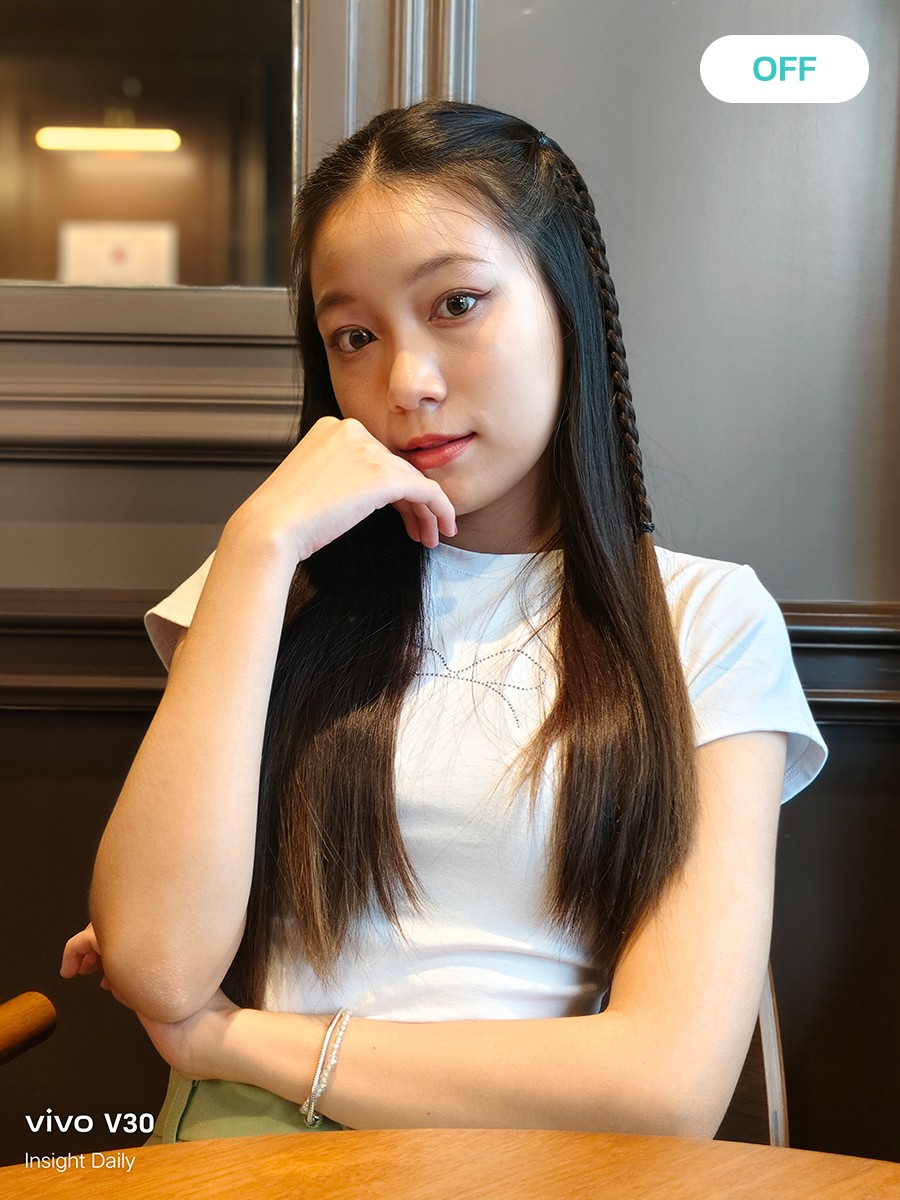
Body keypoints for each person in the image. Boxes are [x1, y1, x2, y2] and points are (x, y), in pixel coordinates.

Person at [61, 99, 826, 1141]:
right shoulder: (270, 583)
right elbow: (155, 963)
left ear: (566, 305)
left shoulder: (704, 621)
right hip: (250, 1160)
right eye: (354, 336)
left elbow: (665, 1089)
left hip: (534, 1166)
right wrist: (258, 542)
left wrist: (230, 1041)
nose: (405, 384)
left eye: (458, 303)